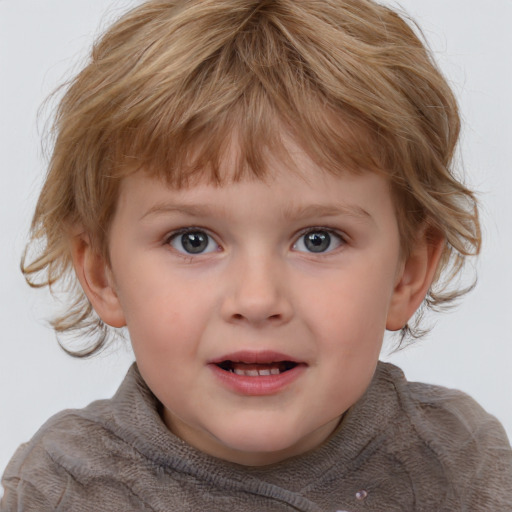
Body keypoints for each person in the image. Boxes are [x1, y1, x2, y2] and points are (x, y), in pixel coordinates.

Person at [1, 0, 511, 510]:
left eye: (318, 239)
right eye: (193, 240)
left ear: (408, 274)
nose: (258, 298)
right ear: (102, 275)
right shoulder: (60, 488)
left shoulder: (462, 465)